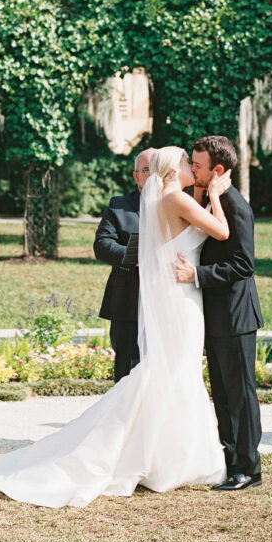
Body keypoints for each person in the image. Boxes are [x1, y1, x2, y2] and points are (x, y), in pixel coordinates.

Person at [0, 146, 230, 507]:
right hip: (180, 298)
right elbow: (221, 232)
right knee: (174, 371)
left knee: (171, 372)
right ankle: (170, 459)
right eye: (187, 161)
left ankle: (166, 455)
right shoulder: (176, 199)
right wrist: (216, 195)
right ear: (174, 170)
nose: (193, 165)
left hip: (177, 293)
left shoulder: (163, 200)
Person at [174, 135, 264, 491]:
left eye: (197, 165)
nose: (192, 169)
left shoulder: (236, 206)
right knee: (223, 395)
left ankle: (249, 469)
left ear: (218, 170)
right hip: (213, 316)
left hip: (235, 316)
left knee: (240, 394)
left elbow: (243, 264)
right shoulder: (207, 200)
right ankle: (230, 461)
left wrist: (196, 275)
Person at [94, 147, 155, 381]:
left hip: (166, 302)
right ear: (136, 176)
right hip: (128, 302)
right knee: (127, 375)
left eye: (158, 169)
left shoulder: (180, 204)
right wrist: (138, 257)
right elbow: (102, 245)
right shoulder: (119, 206)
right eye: (147, 170)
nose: (153, 175)